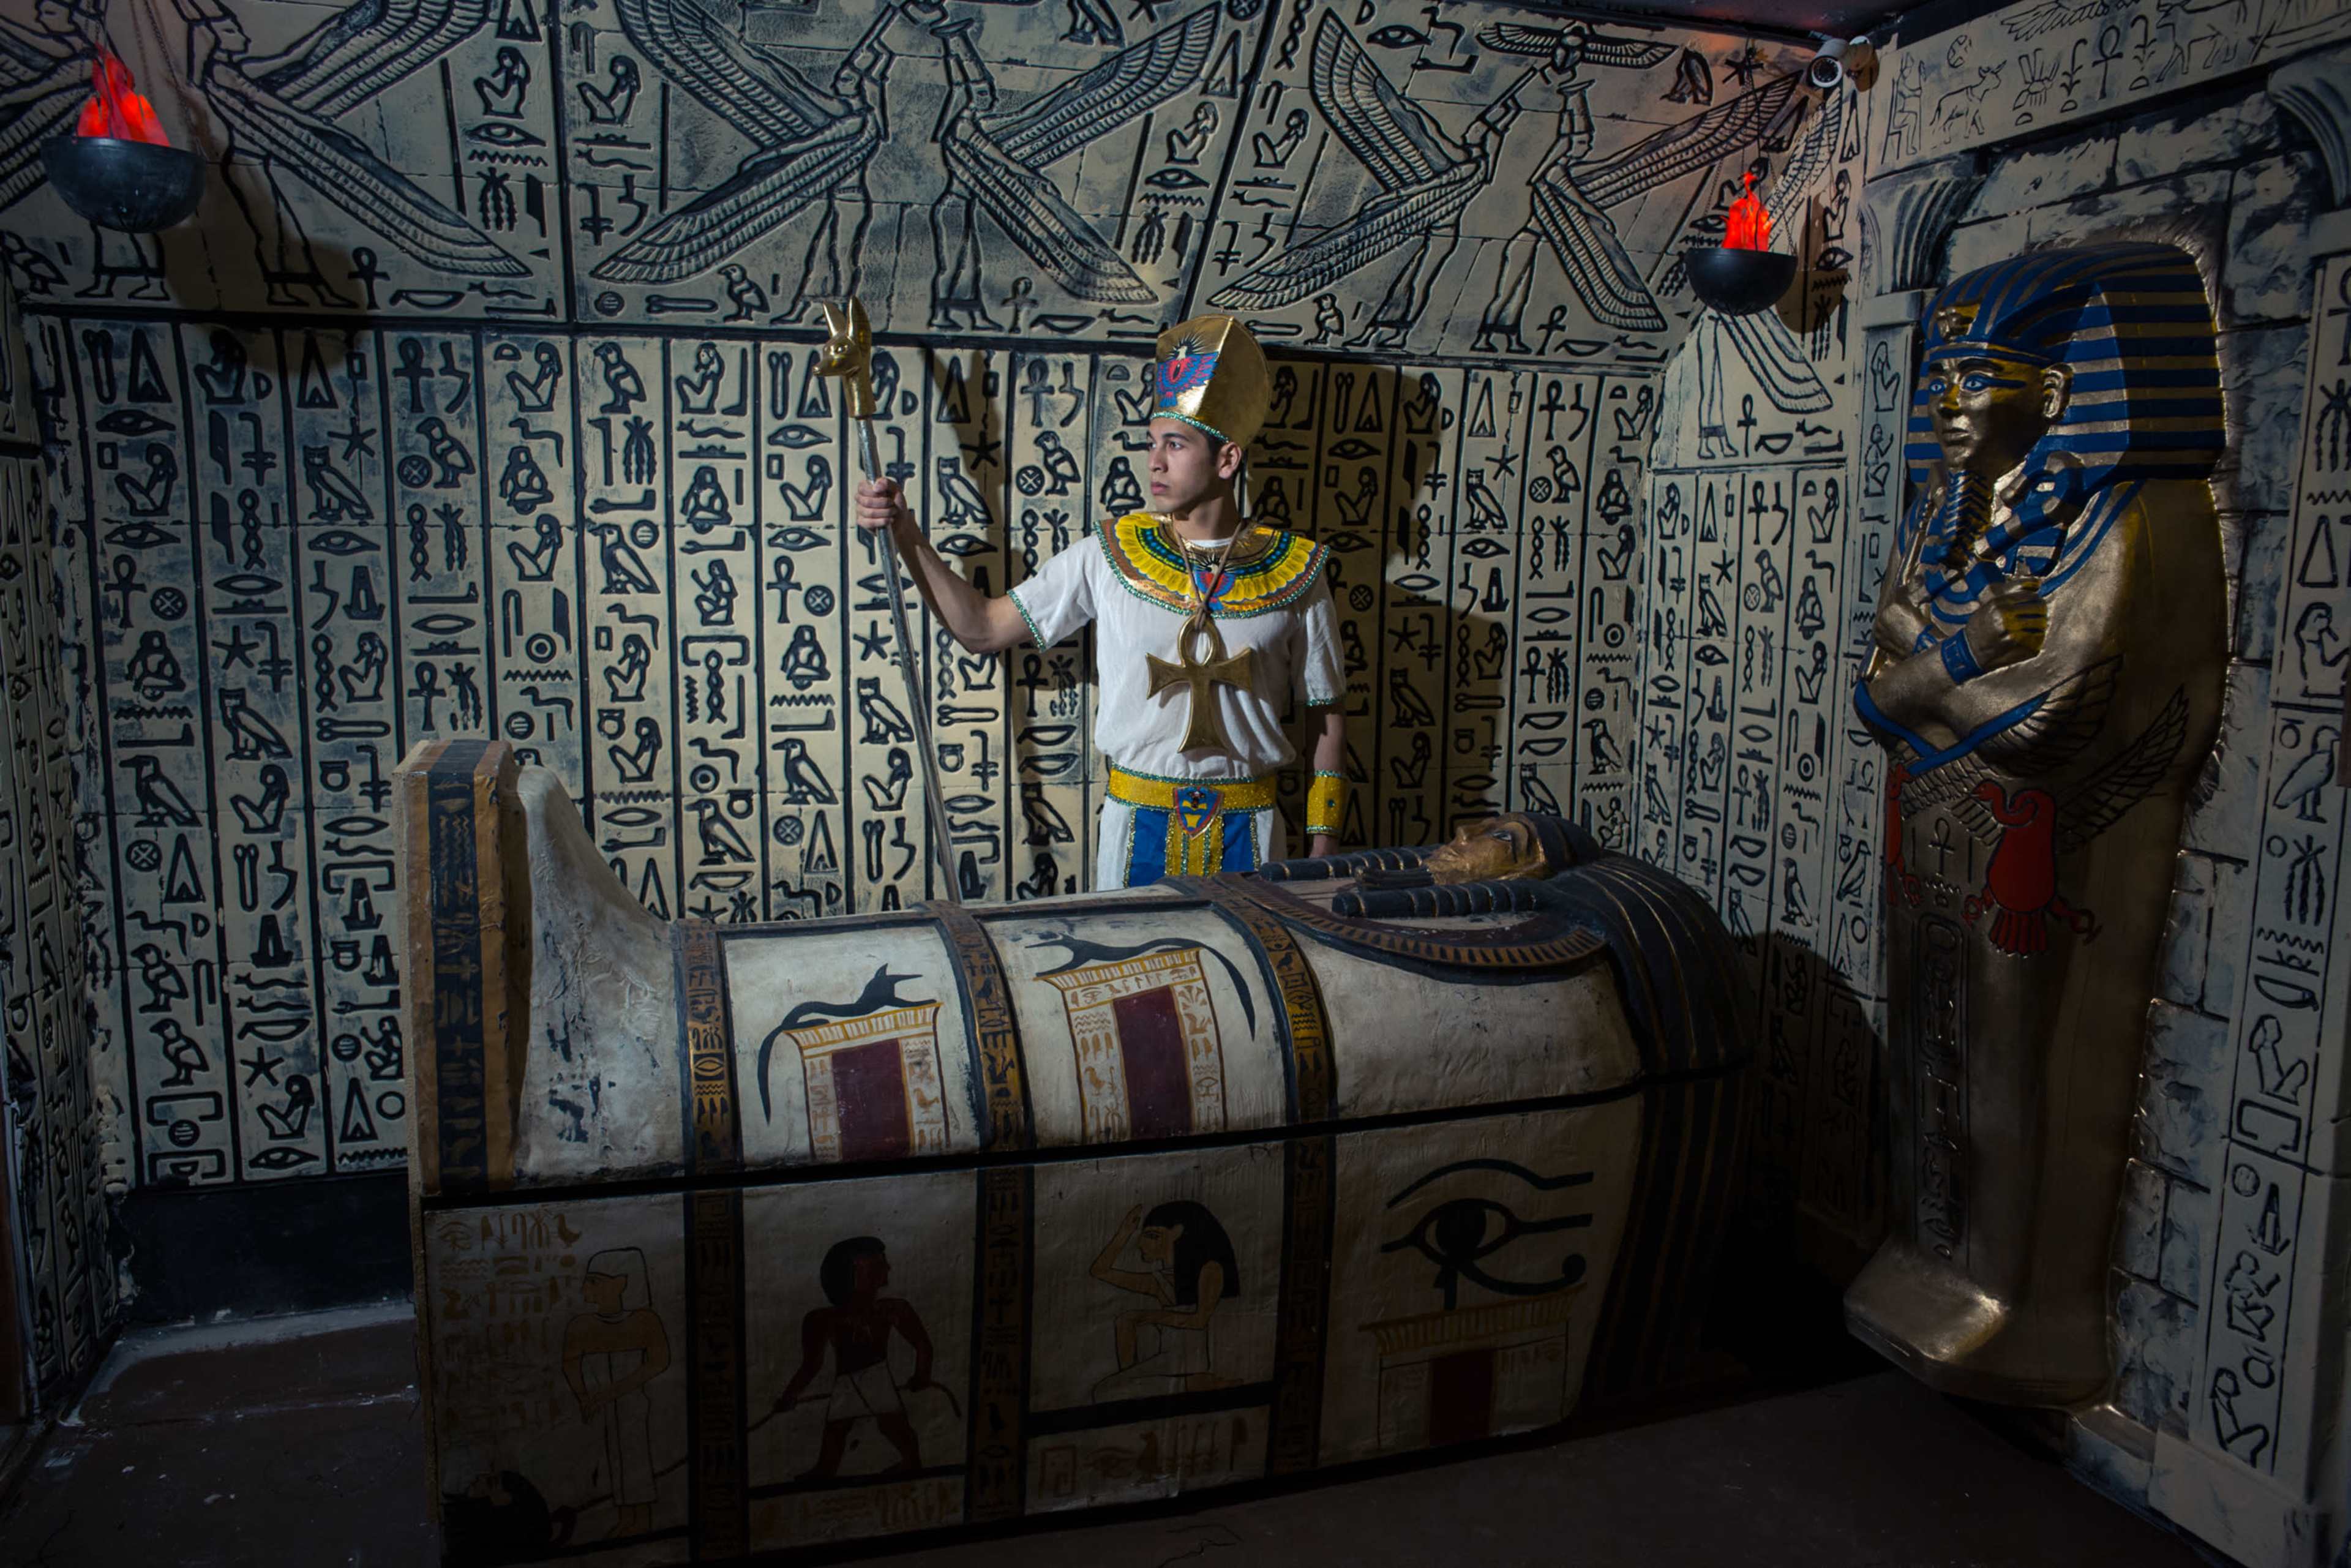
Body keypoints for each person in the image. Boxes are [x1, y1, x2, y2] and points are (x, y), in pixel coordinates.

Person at [853, 315, 1347, 888]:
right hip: (1136, 824)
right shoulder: (1108, 553)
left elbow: (1326, 716)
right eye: (1151, 444)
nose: (1155, 462)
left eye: (1176, 444)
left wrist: (1322, 859)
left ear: (1228, 460)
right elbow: (983, 629)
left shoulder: (1297, 569)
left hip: (1253, 830)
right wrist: (907, 533)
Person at [768, 1237, 937, 1479]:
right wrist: (789, 1396)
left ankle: (910, 1463)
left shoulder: (892, 1309)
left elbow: (923, 1345)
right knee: (841, 1430)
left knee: (890, 1426)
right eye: (879, 1263)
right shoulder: (823, 1320)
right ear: (855, 1271)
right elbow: (812, 1365)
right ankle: (826, 1471)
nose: (888, 1268)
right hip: (848, 1382)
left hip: (873, 1377)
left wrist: (922, 1375)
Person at [560, 1248, 670, 1539]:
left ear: (620, 1283)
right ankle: (625, 1518)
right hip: (600, 1406)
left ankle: (641, 1519)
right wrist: (584, 1396)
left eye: (594, 1281)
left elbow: (659, 1362)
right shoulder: (581, 1325)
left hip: (632, 1402)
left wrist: (611, 1392)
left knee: (635, 1458)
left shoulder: (644, 1320)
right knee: (614, 1462)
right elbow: (570, 1363)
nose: (586, 1288)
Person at [1086, 1201, 1240, 1400]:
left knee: (1107, 1391)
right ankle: (1182, 1386)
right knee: (1108, 1389)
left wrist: (1149, 1317)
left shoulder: (1210, 1269)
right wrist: (1124, 1233)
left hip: (1191, 1360)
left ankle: (1190, 1383)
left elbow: (1199, 1321)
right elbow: (1100, 1271)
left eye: (1152, 1236)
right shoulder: (1161, 1281)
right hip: (1168, 1359)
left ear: (1176, 1233)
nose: (1142, 1243)